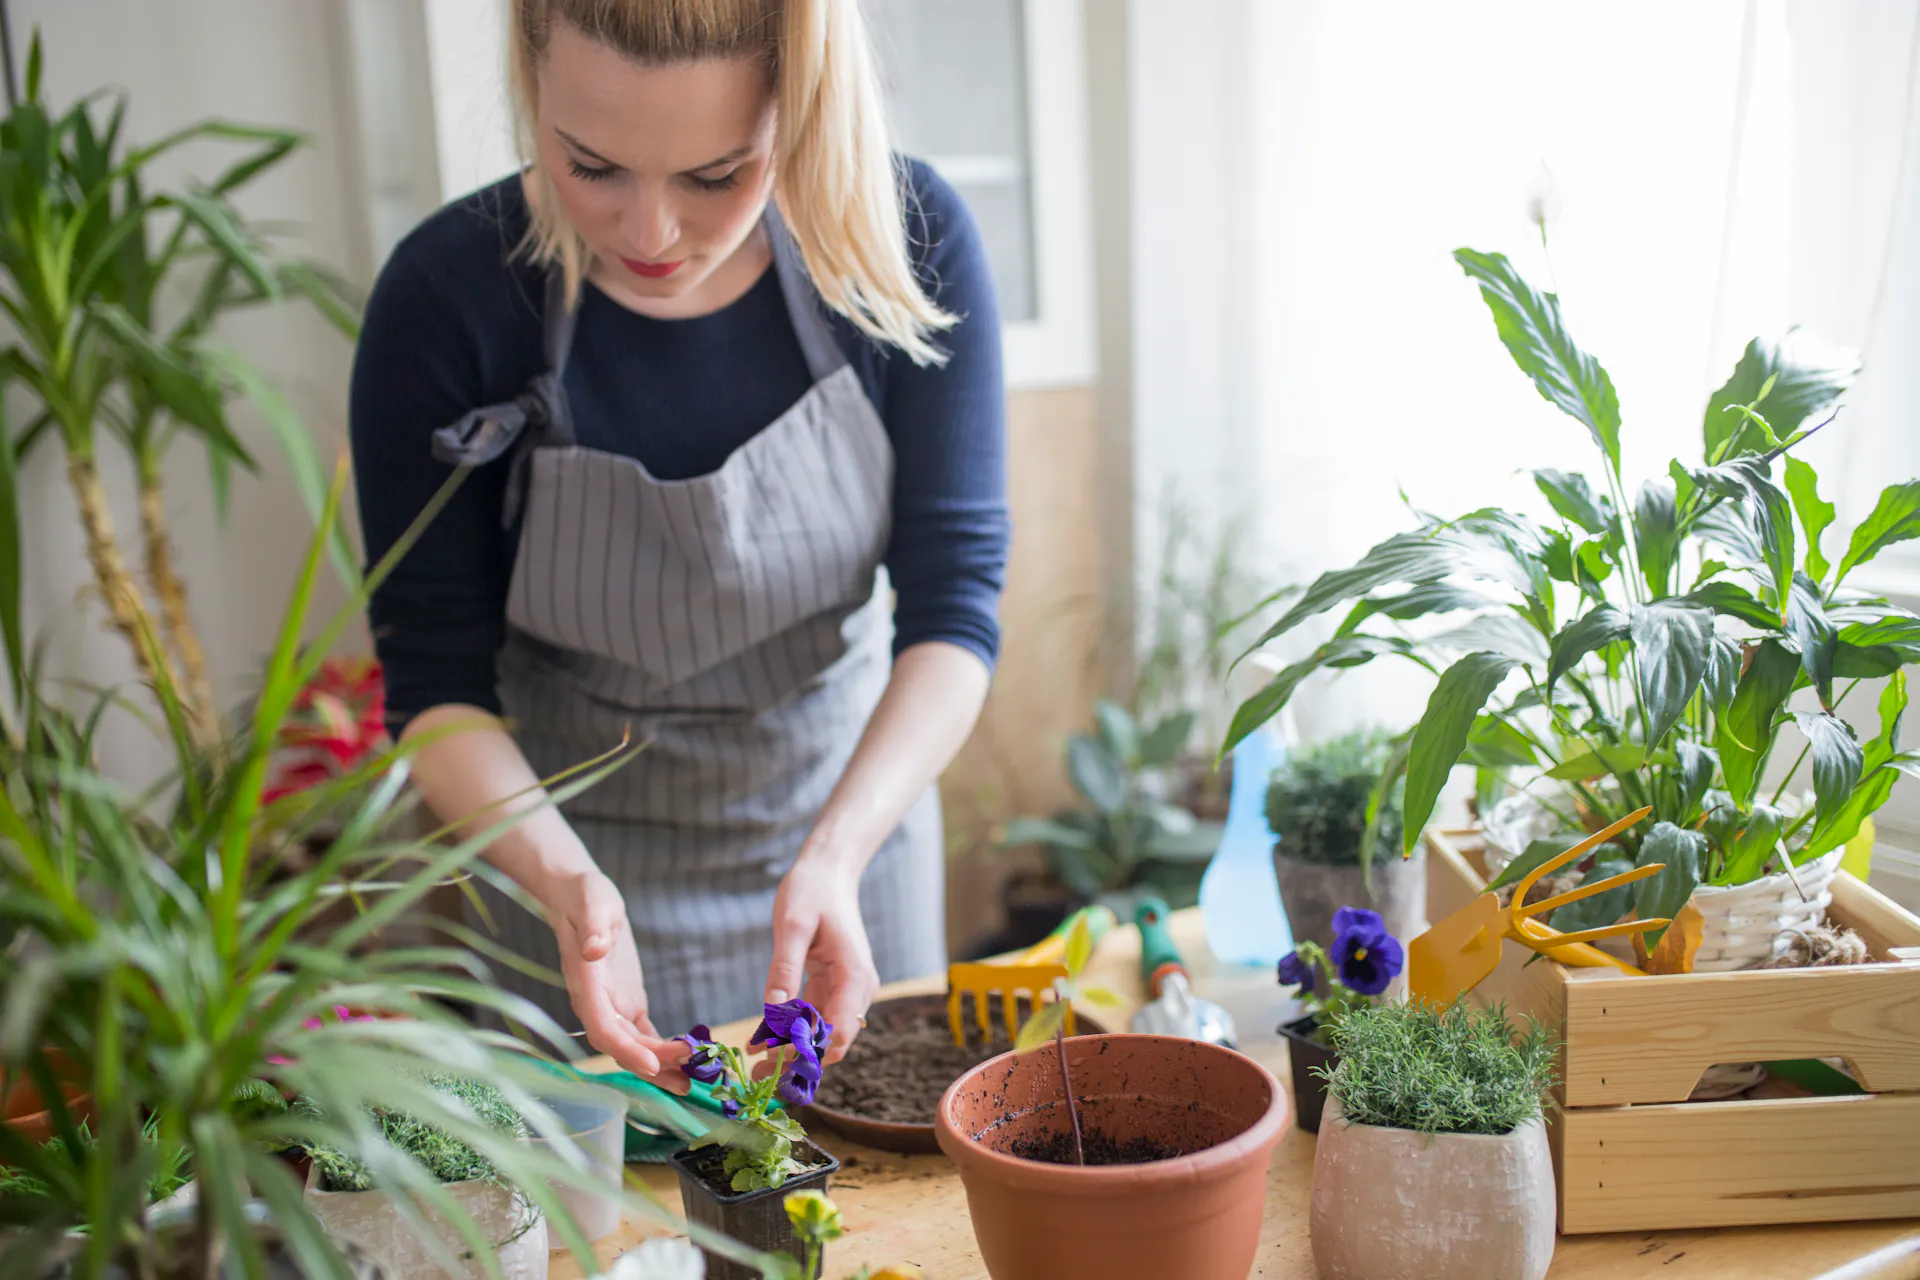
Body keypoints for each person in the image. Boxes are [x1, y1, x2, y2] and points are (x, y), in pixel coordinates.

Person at [348, 0, 1007, 1086]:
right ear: (530, 76)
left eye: (715, 176)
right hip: (570, 877)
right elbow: (434, 688)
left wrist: (839, 855)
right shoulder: (446, 299)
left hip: (847, 845)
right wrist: (568, 886)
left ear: (800, 111)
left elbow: (955, 609)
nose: (650, 234)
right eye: (591, 164)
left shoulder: (909, 240)